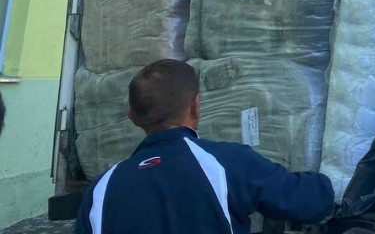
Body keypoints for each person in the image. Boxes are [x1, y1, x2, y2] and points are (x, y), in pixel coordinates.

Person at [75, 59, 335, 233]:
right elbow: (309, 202)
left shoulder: (102, 187)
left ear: (132, 116)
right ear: (195, 106)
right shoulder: (227, 163)